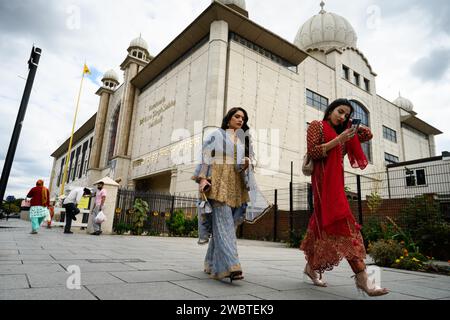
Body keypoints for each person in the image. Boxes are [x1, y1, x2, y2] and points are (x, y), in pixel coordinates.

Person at [300, 98, 389, 297]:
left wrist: (354, 126)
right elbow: (314, 151)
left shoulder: (345, 132)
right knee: (342, 226)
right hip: (323, 185)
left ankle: (310, 268)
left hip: (337, 184)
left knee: (323, 226)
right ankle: (364, 280)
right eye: (340, 111)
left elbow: (368, 135)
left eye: (346, 115)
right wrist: (338, 141)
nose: (342, 117)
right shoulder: (317, 126)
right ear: (330, 109)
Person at [192, 107, 261, 283]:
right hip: (218, 181)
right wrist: (202, 179)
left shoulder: (241, 140)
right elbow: (206, 156)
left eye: (243, 118)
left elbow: (239, 167)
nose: (240, 120)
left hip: (236, 186)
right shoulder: (218, 134)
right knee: (225, 226)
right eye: (237, 116)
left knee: (222, 226)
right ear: (229, 118)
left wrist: (246, 164)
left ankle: (210, 263)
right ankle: (231, 267)